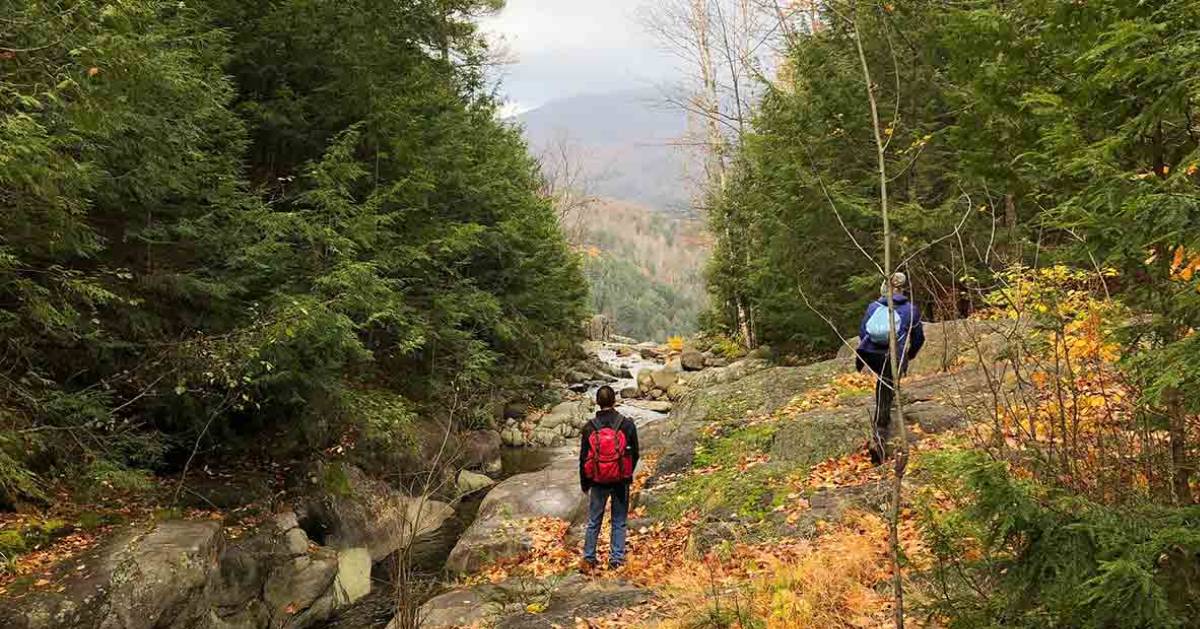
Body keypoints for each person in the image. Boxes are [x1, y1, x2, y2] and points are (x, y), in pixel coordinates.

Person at [856, 272, 925, 464]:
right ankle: (880, 435)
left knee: (883, 384)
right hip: (894, 356)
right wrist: (909, 355)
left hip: (872, 354)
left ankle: (880, 430)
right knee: (886, 387)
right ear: (903, 289)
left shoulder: (874, 306)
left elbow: (862, 333)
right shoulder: (911, 310)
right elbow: (919, 338)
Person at [579, 385, 639, 571]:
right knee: (619, 520)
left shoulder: (590, 427)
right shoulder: (626, 424)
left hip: (598, 481)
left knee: (594, 521)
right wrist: (626, 473)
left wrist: (585, 483)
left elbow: (583, 458)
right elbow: (635, 453)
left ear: (597, 402)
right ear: (614, 401)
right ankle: (616, 559)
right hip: (621, 480)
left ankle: (589, 559)